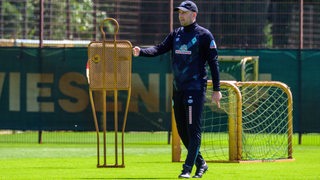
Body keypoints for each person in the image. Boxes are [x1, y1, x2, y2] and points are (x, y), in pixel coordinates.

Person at [133, 1, 222, 178]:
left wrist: (216, 89)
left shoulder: (204, 35)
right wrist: (140, 51)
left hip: (195, 89)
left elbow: (214, 63)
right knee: (182, 131)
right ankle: (201, 164)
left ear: (194, 15)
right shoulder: (176, 34)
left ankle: (187, 169)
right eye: (179, 12)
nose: (180, 15)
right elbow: (159, 49)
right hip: (178, 89)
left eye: (184, 12)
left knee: (193, 130)